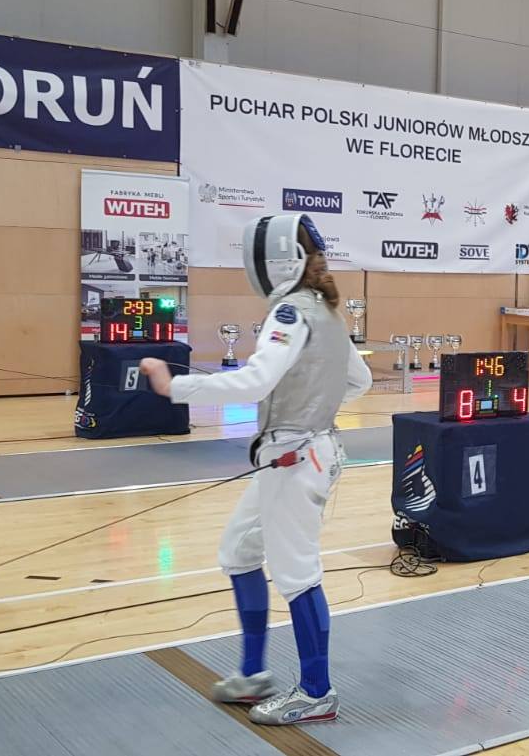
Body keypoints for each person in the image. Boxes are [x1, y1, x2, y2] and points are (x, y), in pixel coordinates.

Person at [140, 213, 371, 726]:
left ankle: (316, 692)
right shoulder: (325, 310)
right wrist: (312, 401)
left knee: (296, 573)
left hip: (296, 461)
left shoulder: (290, 312)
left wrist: (174, 387)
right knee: (239, 551)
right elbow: (359, 381)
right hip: (296, 455)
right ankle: (253, 675)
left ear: (275, 261)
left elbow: (254, 382)